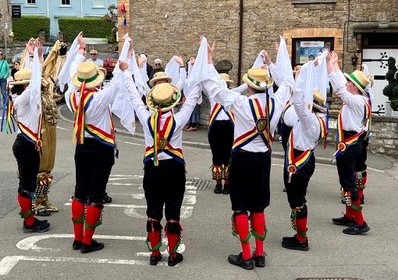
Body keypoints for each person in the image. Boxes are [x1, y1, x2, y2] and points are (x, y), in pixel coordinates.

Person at [201, 41, 292, 270]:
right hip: (263, 160)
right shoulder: (277, 103)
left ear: (249, 86)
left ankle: (246, 256)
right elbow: (289, 85)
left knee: (240, 206)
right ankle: (260, 254)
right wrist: (272, 65)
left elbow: (217, 89)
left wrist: (209, 61)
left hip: (242, 159)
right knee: (259, 207)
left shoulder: (240, 102)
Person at [122, 38, 201, 266]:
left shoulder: (147, 118)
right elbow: (193, 97)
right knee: (173, 211)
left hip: (153, 168)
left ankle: (155, 253)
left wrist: (127, 73)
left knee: (153, 210)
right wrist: (198, 71)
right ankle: (174, 254)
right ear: (173, 100)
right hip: (174, 169)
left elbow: (134, 97)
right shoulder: (179, 119)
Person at [64, 34, 122, 253]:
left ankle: (77, 238)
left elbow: (71, 75)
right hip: (101, 149)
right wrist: (126, 60)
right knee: (96, 193)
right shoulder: (98, 98)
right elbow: (117, 82)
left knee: (80, 190)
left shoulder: (71, 97)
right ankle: (88, 241)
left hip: (81, 146)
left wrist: (79, 52)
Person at [281, 56, 328, 251]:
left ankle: (301, 240)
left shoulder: (310, 121)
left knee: (298, 201)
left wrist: (303, 76)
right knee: (298, 200)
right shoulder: (318, 119)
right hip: (304, 158)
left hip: (300, 162)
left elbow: (299, 104)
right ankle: (299, 236)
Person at [327, 51, 371, 235]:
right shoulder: (361, 99)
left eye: (350, 82)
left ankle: (360, 222)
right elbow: (341, 86)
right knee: (346, 182)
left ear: (356, 87)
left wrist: (332, 65)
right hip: (354, 143)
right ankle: (349, 214)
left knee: (348, 182)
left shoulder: (356, 101)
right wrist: (335, 65)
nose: (347, 83)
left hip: (351, 144)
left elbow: (339, 88)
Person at [11, 41, 50, 233]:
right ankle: (29, 223)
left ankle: (29, 218)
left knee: (27, 183)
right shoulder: (24, 98)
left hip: (25, 144)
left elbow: (31, 81)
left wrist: (34, 57)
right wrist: (35, 59)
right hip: (26, 145)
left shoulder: (19, 96)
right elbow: (34, 84)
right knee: (26, 185)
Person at [208, 73, 234, 194]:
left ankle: (228, 183)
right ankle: (218, 183)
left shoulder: (232, 94)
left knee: (228, 155)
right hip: (216, 127)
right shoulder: (213, 96)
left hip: (229, 126)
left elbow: (245, 86)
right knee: (216, 156)